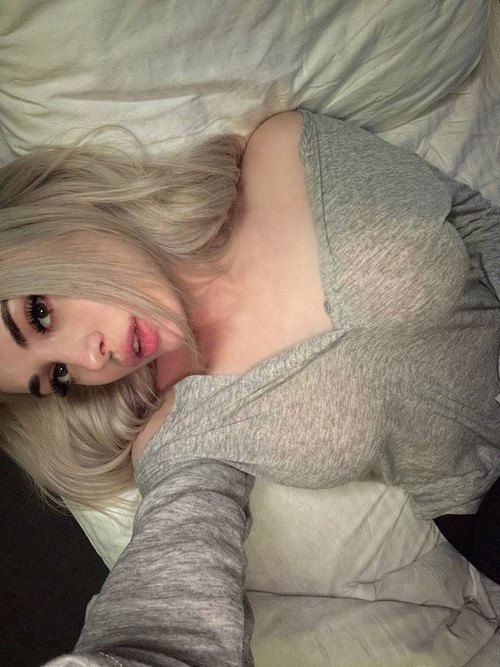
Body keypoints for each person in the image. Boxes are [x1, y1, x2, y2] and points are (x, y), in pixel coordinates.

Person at [1, 110, 500, 664]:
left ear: (52, 225)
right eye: (57, 376)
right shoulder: (178, 430)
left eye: (39, 313)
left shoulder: (283, 152)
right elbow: (169, 614)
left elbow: (469, 219)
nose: (89, 358)